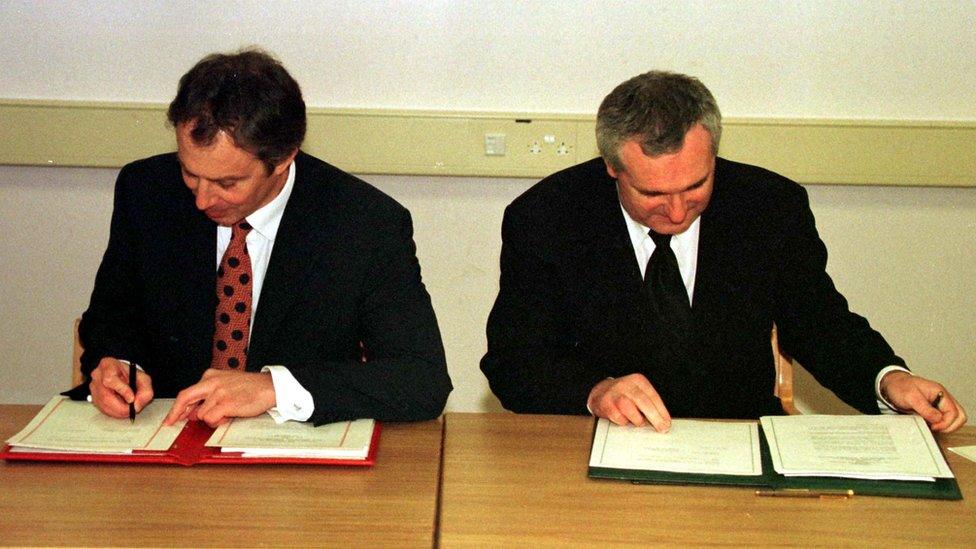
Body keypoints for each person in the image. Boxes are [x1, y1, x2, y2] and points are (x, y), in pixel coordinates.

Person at [481, 71, 966, 433]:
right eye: (652, 194)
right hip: (600, 445)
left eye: (696, 185)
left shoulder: (769, 206)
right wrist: (595, 391)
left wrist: (888, 380)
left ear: (714, 154)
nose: (676, 211)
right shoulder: (546, 218)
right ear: (611, 167)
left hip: (740, 440)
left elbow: (818, 322)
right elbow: (514, 360)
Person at [70, 48, 452, 426]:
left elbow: (421, 380)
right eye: (189, 173)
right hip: (166, 448)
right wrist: (116, 365)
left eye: (227, 183)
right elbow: (110, 321)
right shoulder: (147, 191)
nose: (202, 200)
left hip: (292, 465)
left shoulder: (364, 223)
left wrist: (272, 389)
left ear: (283, 157)